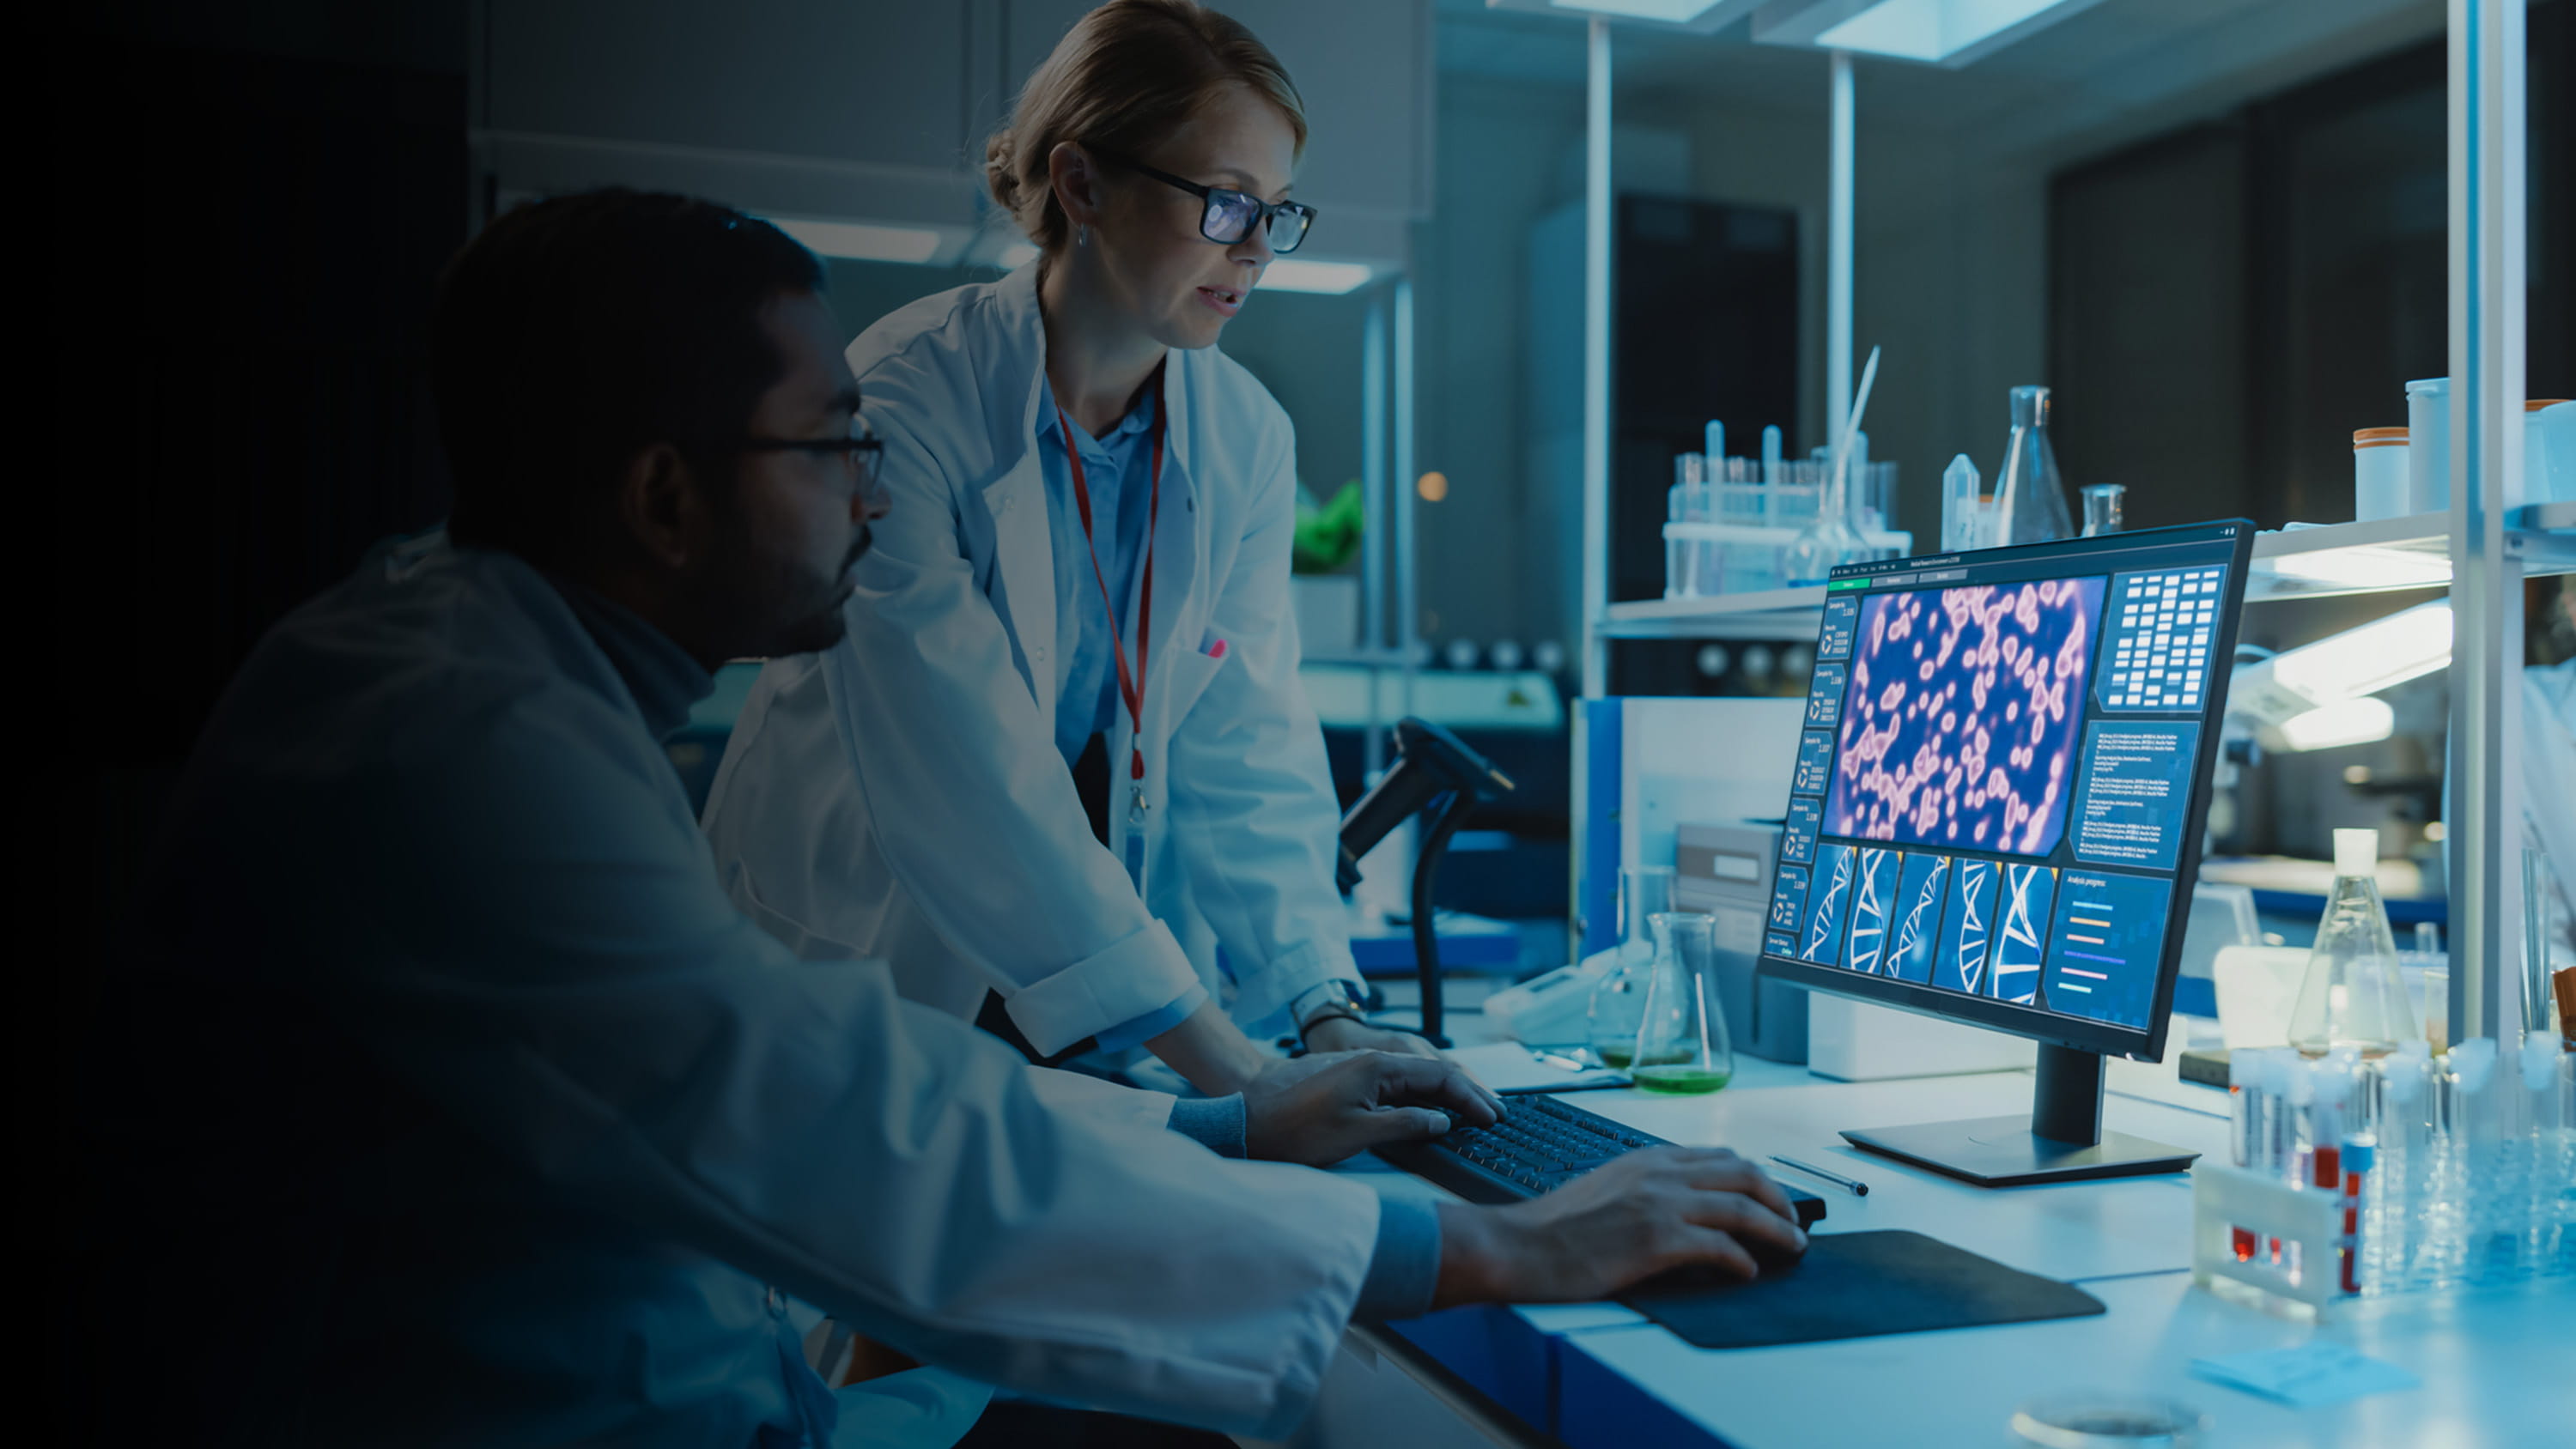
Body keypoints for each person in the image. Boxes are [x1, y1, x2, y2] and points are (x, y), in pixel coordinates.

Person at [87, 189, 1806, 1448]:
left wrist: (1238, 1126)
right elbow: (857, 1133)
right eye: (832, 442)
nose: (876, 486)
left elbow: (858, 1072)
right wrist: (1482, 1239)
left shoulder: (497, 672)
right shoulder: (457, 758)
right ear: (666, 496)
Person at [703, 0, 1421, 1093]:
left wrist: (1321, 1004)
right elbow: (968, 780)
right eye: (1228, 204)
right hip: (859, 965)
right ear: (1082, 183)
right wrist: (1231, 1069)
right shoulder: (908, 399)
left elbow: (1247, 741)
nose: (1260, 250)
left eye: (1280, 212)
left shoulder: (1245, 437)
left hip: (1092, 1013)